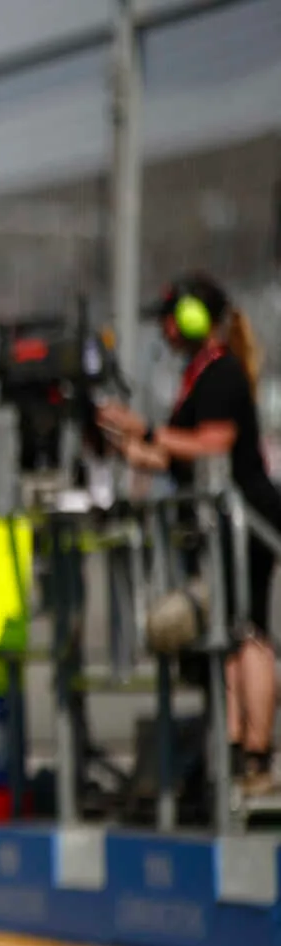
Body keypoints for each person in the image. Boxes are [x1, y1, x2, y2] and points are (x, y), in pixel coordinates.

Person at [99, 271, 280, 798]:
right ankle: (230, 750)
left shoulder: (223, 373)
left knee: (250, 635)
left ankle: (256, 752)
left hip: (246, 517)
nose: (166, 329)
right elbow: (174, 455)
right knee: (225, 639)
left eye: (173, 316)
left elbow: (213, 442)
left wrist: (148, 432)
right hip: (217, 524)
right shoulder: (200, 376)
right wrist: (127, 446)